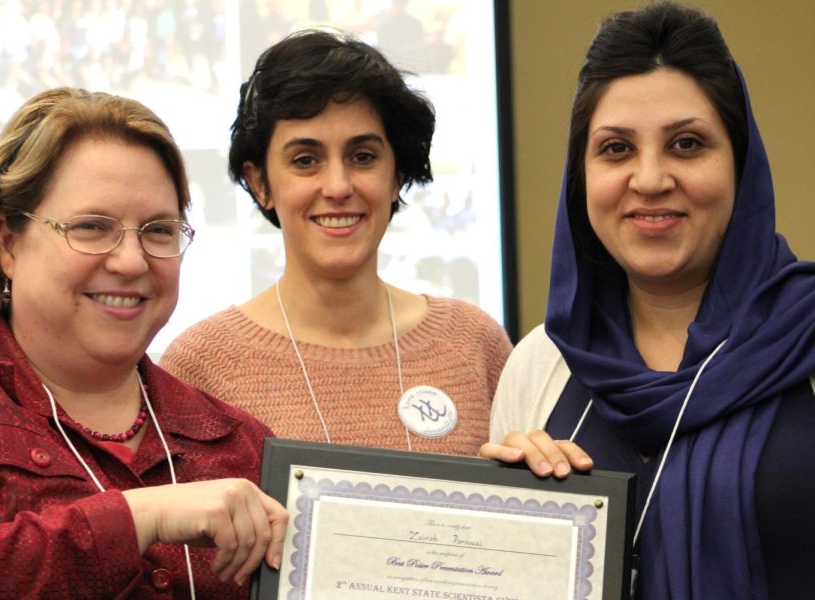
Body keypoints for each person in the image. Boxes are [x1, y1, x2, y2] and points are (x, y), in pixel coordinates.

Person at [480, 3, 815, 598]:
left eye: (687, 144)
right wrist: (506, 521)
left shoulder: (805, 339)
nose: (651, 178)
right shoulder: (539, 366)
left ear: (742, 164)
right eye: (615, 149)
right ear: (580, 175)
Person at [0, 87, 287, 598]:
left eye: (158, 231)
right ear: (8, 243)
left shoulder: (239, 442)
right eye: (92, 227)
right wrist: (145, 514)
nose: (132, 262)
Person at [161, 29, 512, 456]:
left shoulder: (473, 343)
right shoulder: (200, 366)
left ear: (397, 175)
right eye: (305, 161)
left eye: (362, 157)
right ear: (260, 183)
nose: (338, 186)